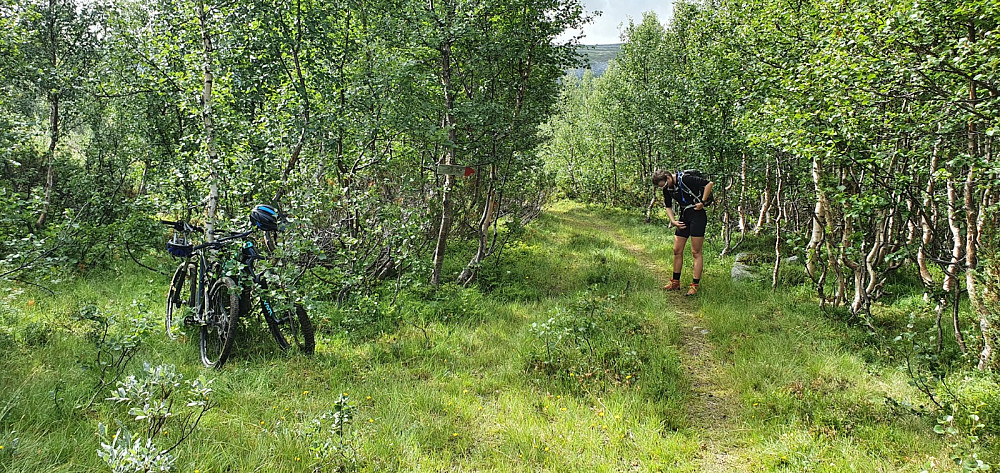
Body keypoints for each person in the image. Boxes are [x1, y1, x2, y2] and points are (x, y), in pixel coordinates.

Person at [651, 169, 713, 296]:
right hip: (684, 217)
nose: (665, 188)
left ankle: (694, 285)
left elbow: (709, 184)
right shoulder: (667, 189)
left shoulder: (685, 179)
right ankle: (675, 282)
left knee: (696, 252)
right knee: (677, 250)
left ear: (668, 177)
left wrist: (702, 201)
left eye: (664, 184)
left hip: (698, 216)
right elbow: (667, 206)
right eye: (662, 186)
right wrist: (673, 221)